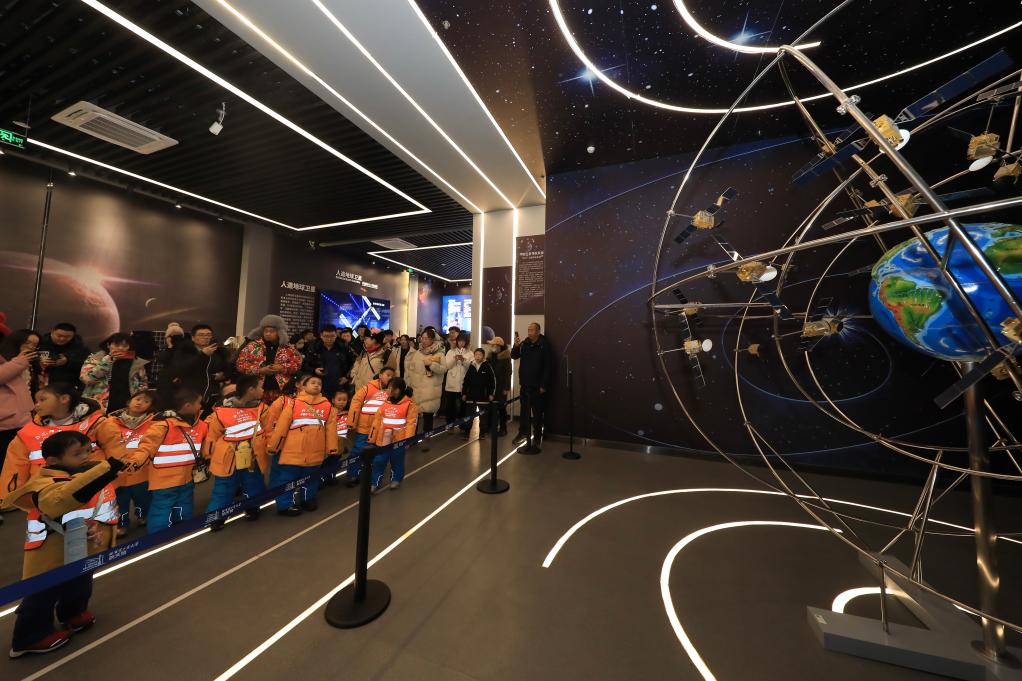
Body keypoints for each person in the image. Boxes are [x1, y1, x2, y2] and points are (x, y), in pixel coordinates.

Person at [2, 431, 123, 658]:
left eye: (88, 451)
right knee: (42, 592)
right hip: (49, 550)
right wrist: (104, 471)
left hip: (80, 543)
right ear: (52, 460)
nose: (86, 456)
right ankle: (29, 637)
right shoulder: (44, 483)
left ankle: (72, 613)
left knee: (80, 582)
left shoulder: (81, 473)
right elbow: (57, 502)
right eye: (78, 454)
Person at [1, 383, 109, 499]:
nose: (36, 405)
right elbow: (15, 468)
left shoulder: (97, 424)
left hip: (95, 491)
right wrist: (8, 499)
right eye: (36, 401)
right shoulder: (27, 433)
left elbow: (117, 455)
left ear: (64, 399)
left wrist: (117, 483)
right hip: (46, 496)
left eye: (43, 399)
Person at [134, 388, 206, 534]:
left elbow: (205, 446)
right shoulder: (163, 425)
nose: (201, 406)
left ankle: (181, 530)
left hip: (185, 476)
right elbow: (147, 446)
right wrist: (134, 461)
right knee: (163, 506)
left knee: (182, 503)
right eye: (199, 403)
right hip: (165, 479)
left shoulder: (200, 424)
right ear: (188, 405)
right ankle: (159, 536)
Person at [203, 375, 270, 530]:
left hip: (253, 455)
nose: (263, 390)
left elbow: (269, 431)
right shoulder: (220, 412)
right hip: (228, 456)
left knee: (253, 482)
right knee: (224, 486)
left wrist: (271, 447)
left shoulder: (262, 408)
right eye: (260, 387)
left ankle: (253, 507)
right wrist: (208, 456)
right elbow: (212, 436)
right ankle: (216, 517)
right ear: (251, 390)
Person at [267, 374, 338, 516]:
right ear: (303, 386)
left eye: (319, 383)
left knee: (311, 477)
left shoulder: (327, 406)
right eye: (313, 382)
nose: (316, 385)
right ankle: (285, 505)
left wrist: (332, 448)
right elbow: (281, 428)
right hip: (292, 450)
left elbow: (331, 429)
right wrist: (274, 447)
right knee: (287, 479)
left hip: (316, 450)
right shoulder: (294, 404)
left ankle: (308, 499)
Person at [96, 389, 156, 537]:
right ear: (129, 401)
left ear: (150, 406)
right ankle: (121, 524)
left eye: (146, 401)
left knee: (143, 499)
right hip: (117, 471)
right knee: (119, 502)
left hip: (141, 471)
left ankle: (143, 516)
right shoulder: (109, 422)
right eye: (138, 399)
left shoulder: (153, 423)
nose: (140, 403)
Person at [235, 315, 302, 405]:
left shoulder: (288, 348)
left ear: (279, 332)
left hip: (282, 391)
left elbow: (297, 364)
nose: (268, 334)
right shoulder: (252, 346)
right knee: (259, 413)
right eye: (266, 331)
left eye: (272, 331)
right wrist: (260, 370)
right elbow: (240, 365)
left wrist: (282, 368)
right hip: (257, 392)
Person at [368, 377, 418, 494]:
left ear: (399, 389)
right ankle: (374, 483)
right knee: (379, 461)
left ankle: (396, 479)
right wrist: (372, 438)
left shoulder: (410, 405)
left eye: (392, 388)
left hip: (399, 440)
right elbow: (377, 421)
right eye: (389, 387)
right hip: (383, 438)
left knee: (397, 460)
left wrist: (408, 441)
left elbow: (411, 424)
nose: (389, 390)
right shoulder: (385, 403)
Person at [0, 330, 40, 474]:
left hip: (23, 419)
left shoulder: (28, 364)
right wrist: (19, 361)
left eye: (35, 345)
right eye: (27, 342)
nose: (30, 347)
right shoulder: (10, 360)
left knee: (14, 463)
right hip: (5, 421)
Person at [346, 367, 394, 487]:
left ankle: (368, 474)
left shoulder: (391, 391)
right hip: (365, 426)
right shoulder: (367, 388)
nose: (390, 377)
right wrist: (352, 422)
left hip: (381, 427)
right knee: (358, 449)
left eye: (392, 376)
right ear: (380, 375)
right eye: (388, 374)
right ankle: (353, 474)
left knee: (376, 452)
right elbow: (355, 404)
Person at [80, 332, 149, 414]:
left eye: (125, 346)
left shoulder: (136, 362)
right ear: (108, 345)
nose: (120, 348)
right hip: (98, 403)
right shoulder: (96, 358)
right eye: (117, 345)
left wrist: (139, 400)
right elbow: (87, 379)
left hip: (126, 404)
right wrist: (107, 360)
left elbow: (143, 383)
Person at [511, 323, 554, 443]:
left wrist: (544, 385)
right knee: (524, 411)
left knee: (537, 413)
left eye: (532, 330)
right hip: (525, 384)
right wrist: (516, 346)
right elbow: (514, 356)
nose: (529, 332)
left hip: (538, 386)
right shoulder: (525, 343)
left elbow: (548, 366)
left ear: (538, 331)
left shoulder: (544, 345)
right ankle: (523, 432)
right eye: (528, 330)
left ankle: (537, 437)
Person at [405, 328, 447, 435]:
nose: (423, 341)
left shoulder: (439, 353)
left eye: (426, 338)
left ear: (432, 340)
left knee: (428, 415)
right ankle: (412, 437)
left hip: (430, 390)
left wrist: (431, 365)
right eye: (422, 338)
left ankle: (427, 436)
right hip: (416, 389)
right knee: (414, 416)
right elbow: (411, 370)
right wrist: (408, 384)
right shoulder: (417, 353)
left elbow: (443, 369)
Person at [302, 324, 355, 400]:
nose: (329, 339)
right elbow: (305, 364)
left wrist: (347, 377)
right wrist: (314, 370)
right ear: (321, 336)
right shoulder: (314, 347)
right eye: (326, 336)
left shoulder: (343, 347)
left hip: (339, 384)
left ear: (336, 335)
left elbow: (353, 364)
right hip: (319, 384)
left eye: (332, 336)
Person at [36, 323, 90, 389]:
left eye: (67, 337)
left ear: (73, 335)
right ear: (52, 332)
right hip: (41, 383)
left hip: (70, 384)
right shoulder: (39, 343)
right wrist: (39, 361)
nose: (62, 339)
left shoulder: (80, 347)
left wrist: (67, 361)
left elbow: (88, 365)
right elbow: (29, 358)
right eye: (59, 335)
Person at [462, 348, 497, 437]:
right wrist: (464, 393)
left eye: (480, 355)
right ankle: (466, 432)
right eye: (476, 354)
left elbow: (492, 381)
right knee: (468, 415)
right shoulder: (471, 366)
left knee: (483, 416)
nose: (477, 356)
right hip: (471, 396)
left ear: (483, 356)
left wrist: (491, 394)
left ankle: (482, 432)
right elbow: (466, 381)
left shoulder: (487, 366)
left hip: (483, 397)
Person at [321, 387, 351, 486]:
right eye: (339, 399)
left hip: (340, 444)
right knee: (325, 462)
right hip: (328, 443)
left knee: (335, 461)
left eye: (344, 400)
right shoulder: (328, 412)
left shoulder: (348, 414)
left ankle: (331, 477)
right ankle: (322, 479)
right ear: (333, 400)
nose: (342, 402)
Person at [443, 335, 471, 429]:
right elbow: (447, 366)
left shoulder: (469, 353)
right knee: (450, 406)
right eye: (459, 341)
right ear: (457, 341)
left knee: (463, 406)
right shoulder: (450, 352)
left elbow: (470, 367)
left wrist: (463, 360)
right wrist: (454, 359)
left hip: (463, 384)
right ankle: (449, 424)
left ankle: (462, 425)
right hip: (451, 383)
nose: (461, 343)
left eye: (463, 341)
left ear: (466, 342)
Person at [487, 337, 513, 436]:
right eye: (492, 345)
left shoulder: (506, 357)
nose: (492, 346)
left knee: (501, 408)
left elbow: (508, 373)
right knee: (490, 407)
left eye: (494, 345)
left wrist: (506, 388)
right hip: (491, 387)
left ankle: (503, 429)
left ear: (500, 346)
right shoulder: (490, 356)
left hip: (501, 387)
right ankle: (490, 427)